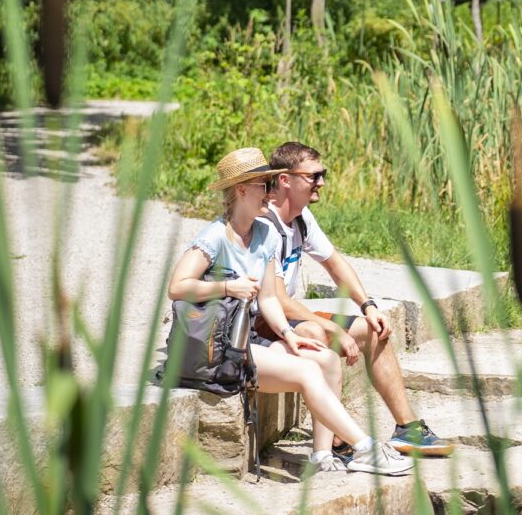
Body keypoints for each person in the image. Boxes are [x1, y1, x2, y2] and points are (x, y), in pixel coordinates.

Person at [166, 147, 412, 477]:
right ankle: (365, 448)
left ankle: (321, 457)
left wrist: (290, 335)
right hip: (218, 347)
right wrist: (227, 287)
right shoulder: (215, 237)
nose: (269, 193)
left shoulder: (265, 233)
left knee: (323, 358)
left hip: (248, 335)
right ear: (241, 190)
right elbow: (177, 286)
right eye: (263, 185)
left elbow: (269, 299)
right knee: (308, 373)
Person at [264, 140, 454, 458]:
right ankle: (336, 441)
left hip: (284, 318)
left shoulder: (301, 218)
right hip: (264, 322)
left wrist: (368, 306)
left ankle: (407, 429)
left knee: (373, 328)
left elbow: (335, 264)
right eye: (314, 175)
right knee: (314, 332)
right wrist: (334, 329)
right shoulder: (266, 225)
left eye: (322, 174)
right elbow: (279, 302)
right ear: (286, 179)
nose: (321, 182)